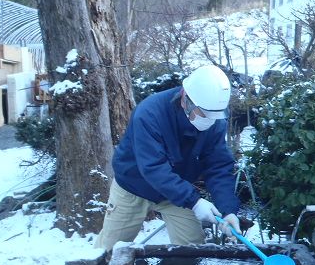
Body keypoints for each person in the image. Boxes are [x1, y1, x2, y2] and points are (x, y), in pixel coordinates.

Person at [96, 65, 241, 251]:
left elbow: (219, 167)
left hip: (176, 191)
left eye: (215, 115)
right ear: (185, 99)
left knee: (191, 250)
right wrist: (194, 201)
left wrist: (228, 209)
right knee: (109, 252)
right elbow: (153, 167)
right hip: (133, 186)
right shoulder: (149, 114)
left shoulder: (215, 121)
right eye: (204, 114)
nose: (210, 120)